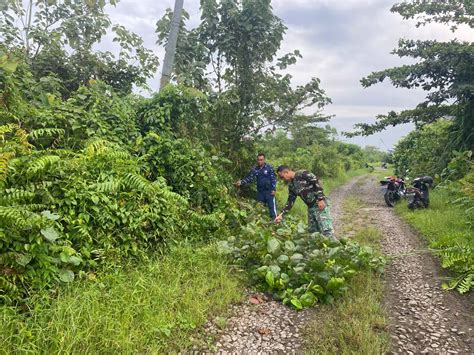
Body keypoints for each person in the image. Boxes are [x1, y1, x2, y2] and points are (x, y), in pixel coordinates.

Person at [274, 165, 334, 238]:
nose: (282, 179)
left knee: (327, 231)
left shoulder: (302, 174)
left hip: (319, 204)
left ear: (286, 172)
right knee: (313, 233)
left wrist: (320, 199)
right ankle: (320, 249)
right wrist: (281, 214)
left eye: (282, 177)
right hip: (311, 208)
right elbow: (290, 201)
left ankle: (336, 247)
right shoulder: (291, 185)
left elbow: (316, 182)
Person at [236, 153, 277, 219]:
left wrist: (274, 189)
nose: (259, 161)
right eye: (258, 160)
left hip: (269, 191)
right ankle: (262, 225)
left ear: (264, 160)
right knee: (260, 209)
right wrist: (241, 182)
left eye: (261, 160)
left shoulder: (269, 167)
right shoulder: (255, 169)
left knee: (272, 209)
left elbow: (273, 179)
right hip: (260, 192)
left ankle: (275, 223)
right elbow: (249, 178)